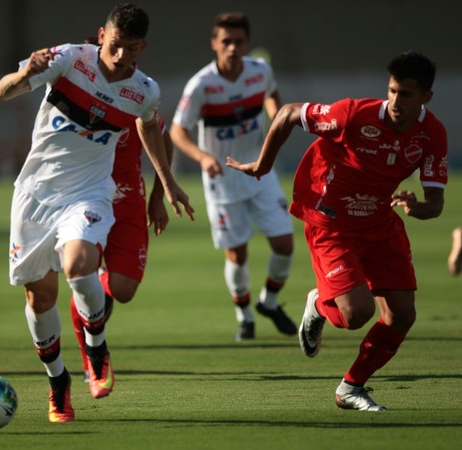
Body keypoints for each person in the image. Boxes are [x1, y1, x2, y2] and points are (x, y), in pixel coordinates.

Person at [0, 3, 194, 423]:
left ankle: (97, 347)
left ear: (143, 46)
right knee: (39, 297)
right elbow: (2, 91)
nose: (122, 57)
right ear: (102, 35)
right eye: (117, 45)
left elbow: (149, 127)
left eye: (133, 49)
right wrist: (26, 73)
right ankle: (58, 383)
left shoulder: (144, 89)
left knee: (80, 265)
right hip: (34, 194)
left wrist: (167, 182)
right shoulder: (68, 59)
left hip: (88, 193)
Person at [227, 51, 447, 411]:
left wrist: (417, 207)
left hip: (379, 223)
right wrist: (261, 167)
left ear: (426, 97)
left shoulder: (432, 133)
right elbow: (286, 115)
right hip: (332, 221)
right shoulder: (353, 114)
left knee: (402, 315)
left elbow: (435, 203)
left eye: (405, 95)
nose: (394, 101)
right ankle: (318, 303)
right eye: (391, 91)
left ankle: (351, 388)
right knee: (355, 314)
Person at [170, 12, 296, 341]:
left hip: (259, 170)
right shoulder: (201, 84)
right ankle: (244, 315)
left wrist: (275, 120)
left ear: (247, 43)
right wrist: (202, 157)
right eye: (226, 41)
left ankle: (269, 301)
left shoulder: (260, 72)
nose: (232, 48)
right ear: (214, 43)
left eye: (238, 41)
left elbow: (273, 99)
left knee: (285, 243)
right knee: (237, 254)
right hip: (222, 180)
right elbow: (177, 130)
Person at [68, 36, 174, 381]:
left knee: (123, 290)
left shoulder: (137, 95)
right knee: (81, 274)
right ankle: (90, 360)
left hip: (128, 201)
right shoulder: (74, 96)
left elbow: (163, 139)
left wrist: (158, 196)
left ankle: (98, 283)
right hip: (84, 199)